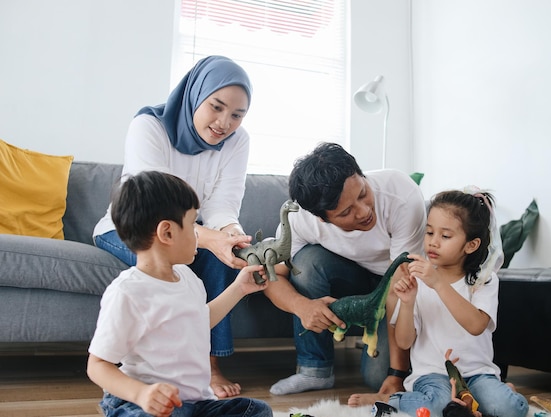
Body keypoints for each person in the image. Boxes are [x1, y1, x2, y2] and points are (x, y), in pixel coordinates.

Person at [93, 55, 253, 398]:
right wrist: (209, 239)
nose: (225, 122)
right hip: (135, 226)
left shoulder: (237, 142)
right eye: (217, 107)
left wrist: (230, 238)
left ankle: (207, 363)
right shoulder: (149, 125)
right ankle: (200, 369)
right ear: (196, 95)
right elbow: (150, 211)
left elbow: (223, 206)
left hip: (186, 229)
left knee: (217, 254)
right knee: (184, 259)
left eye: (237, 115)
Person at [87, 171, 272, 417]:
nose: (199, 236)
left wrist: (239, 288)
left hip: (196, 403)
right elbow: (97, 366)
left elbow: (199, 319)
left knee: (255, 411)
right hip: (144, 404)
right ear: (167, 233)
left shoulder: (188, 277)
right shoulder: (128, 292)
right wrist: (141, 394)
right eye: (195, 226)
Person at [263, 142, 427, 397]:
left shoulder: (401, 194)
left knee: (377, 379)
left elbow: (400, 286)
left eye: (362, 193)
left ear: (361, 175)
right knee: (305, 264)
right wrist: (302, 307)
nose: (364, 212)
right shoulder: (300, 218)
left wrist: (397, 374)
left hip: (401, 285)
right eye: (347, 211)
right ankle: (314, 370)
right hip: (355, 275)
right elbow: (272, 276)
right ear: (322, 218)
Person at [350, 187, 529, 417]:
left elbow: (476, 325)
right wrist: (407, 303)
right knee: (434, 408)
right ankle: (390, 398)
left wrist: (438, 284)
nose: (433, 242)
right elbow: (404, 342)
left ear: (471, 245)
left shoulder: (483, 280)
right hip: (433, 375)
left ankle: (500, 391)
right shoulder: (418, 279)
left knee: (510, 409)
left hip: (476, 374)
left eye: (445, 236)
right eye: (429, 232)